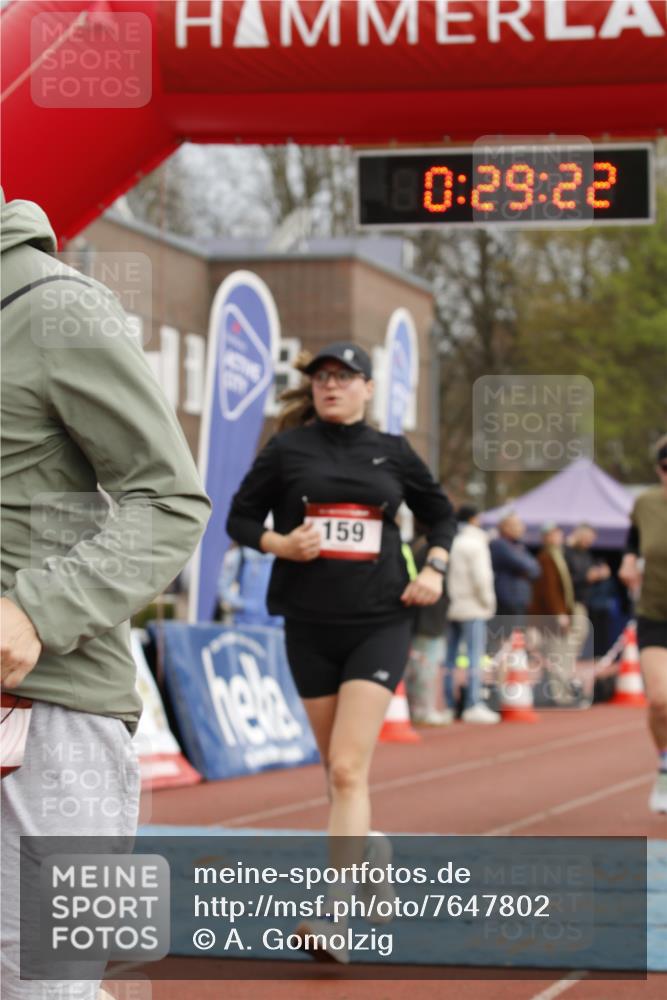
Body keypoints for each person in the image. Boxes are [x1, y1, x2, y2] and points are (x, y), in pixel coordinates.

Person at [0, 191, 211, 999]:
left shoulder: (56, 307)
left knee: (45, 988)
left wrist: (38, 610)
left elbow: (170, 500)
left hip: (49, 718)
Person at [227, 341, 456, 960]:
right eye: (322, 377)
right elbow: (240, 519)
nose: (331, 386)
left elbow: (443, 516)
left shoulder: (395, 452)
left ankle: (334, 917)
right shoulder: (287, 450)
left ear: (367, 387)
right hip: (308, 623)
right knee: (338, 774)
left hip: (380, 620)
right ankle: (372, 848)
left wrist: (434, 568)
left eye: (344, 377)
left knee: (349, 769)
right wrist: (279, 544)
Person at [619, 435, 667, 813]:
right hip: (656, 612)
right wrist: (629, 561)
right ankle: (665, 765)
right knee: (660, 701)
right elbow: (633, 539)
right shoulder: (646, 503)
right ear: (659, 470)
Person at [444, 506, 499, 723]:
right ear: (474, 519)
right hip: (473, 607)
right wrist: (488, 603)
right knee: (475, 656)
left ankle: (449, 704)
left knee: (450, 659)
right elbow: (481, 578)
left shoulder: (454, 542)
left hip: (453, 606)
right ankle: (472, 703)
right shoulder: (476, 544)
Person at [530, 522, 589, 705]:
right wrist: (559, 613)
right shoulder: (546, 558)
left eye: (558, 533)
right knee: (558, 654)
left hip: (560, 612)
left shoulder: (558, 555)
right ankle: (560, 696)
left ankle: (559, 694)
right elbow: (550, 589)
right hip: (551, 616)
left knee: (560, 654)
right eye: (553, 534)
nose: (557, 537)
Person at [404, 534, 452, 726]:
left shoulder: (413, 545)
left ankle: (420, 709)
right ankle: (424, 710)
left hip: (422, 616)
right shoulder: (430, 552)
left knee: (420, 665)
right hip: (428, 617)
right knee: (425, 666)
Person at [565, 523, 611, 659]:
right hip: (569, 602)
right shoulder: (566, 551)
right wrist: (586, 577)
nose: (589, 542)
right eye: (588, 538)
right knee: (573, 636)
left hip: (582, 602)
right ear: (579, 534)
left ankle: (567, 671)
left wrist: (600, 574)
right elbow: (564, 579)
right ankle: (563, 672)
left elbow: (589, 573)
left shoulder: (584, 553)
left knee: (580, 634)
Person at [489, 511, 540, 620]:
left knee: (518, 635)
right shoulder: (499, 544)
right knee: (507, 635)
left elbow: (536, 569)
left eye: (520, 524)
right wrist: (526, 569)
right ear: (504, 527)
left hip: (520, 600)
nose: (520, 528)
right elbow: (522, 565)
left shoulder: (519, 546)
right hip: (507, 601)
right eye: (515, 525)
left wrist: (526, 569)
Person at [217, 543, 283, 627]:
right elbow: (222, 588)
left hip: (275, 626)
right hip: (244, 624)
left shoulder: (282, 553)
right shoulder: (239, 554)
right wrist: (243, 605)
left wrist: (280, 614)